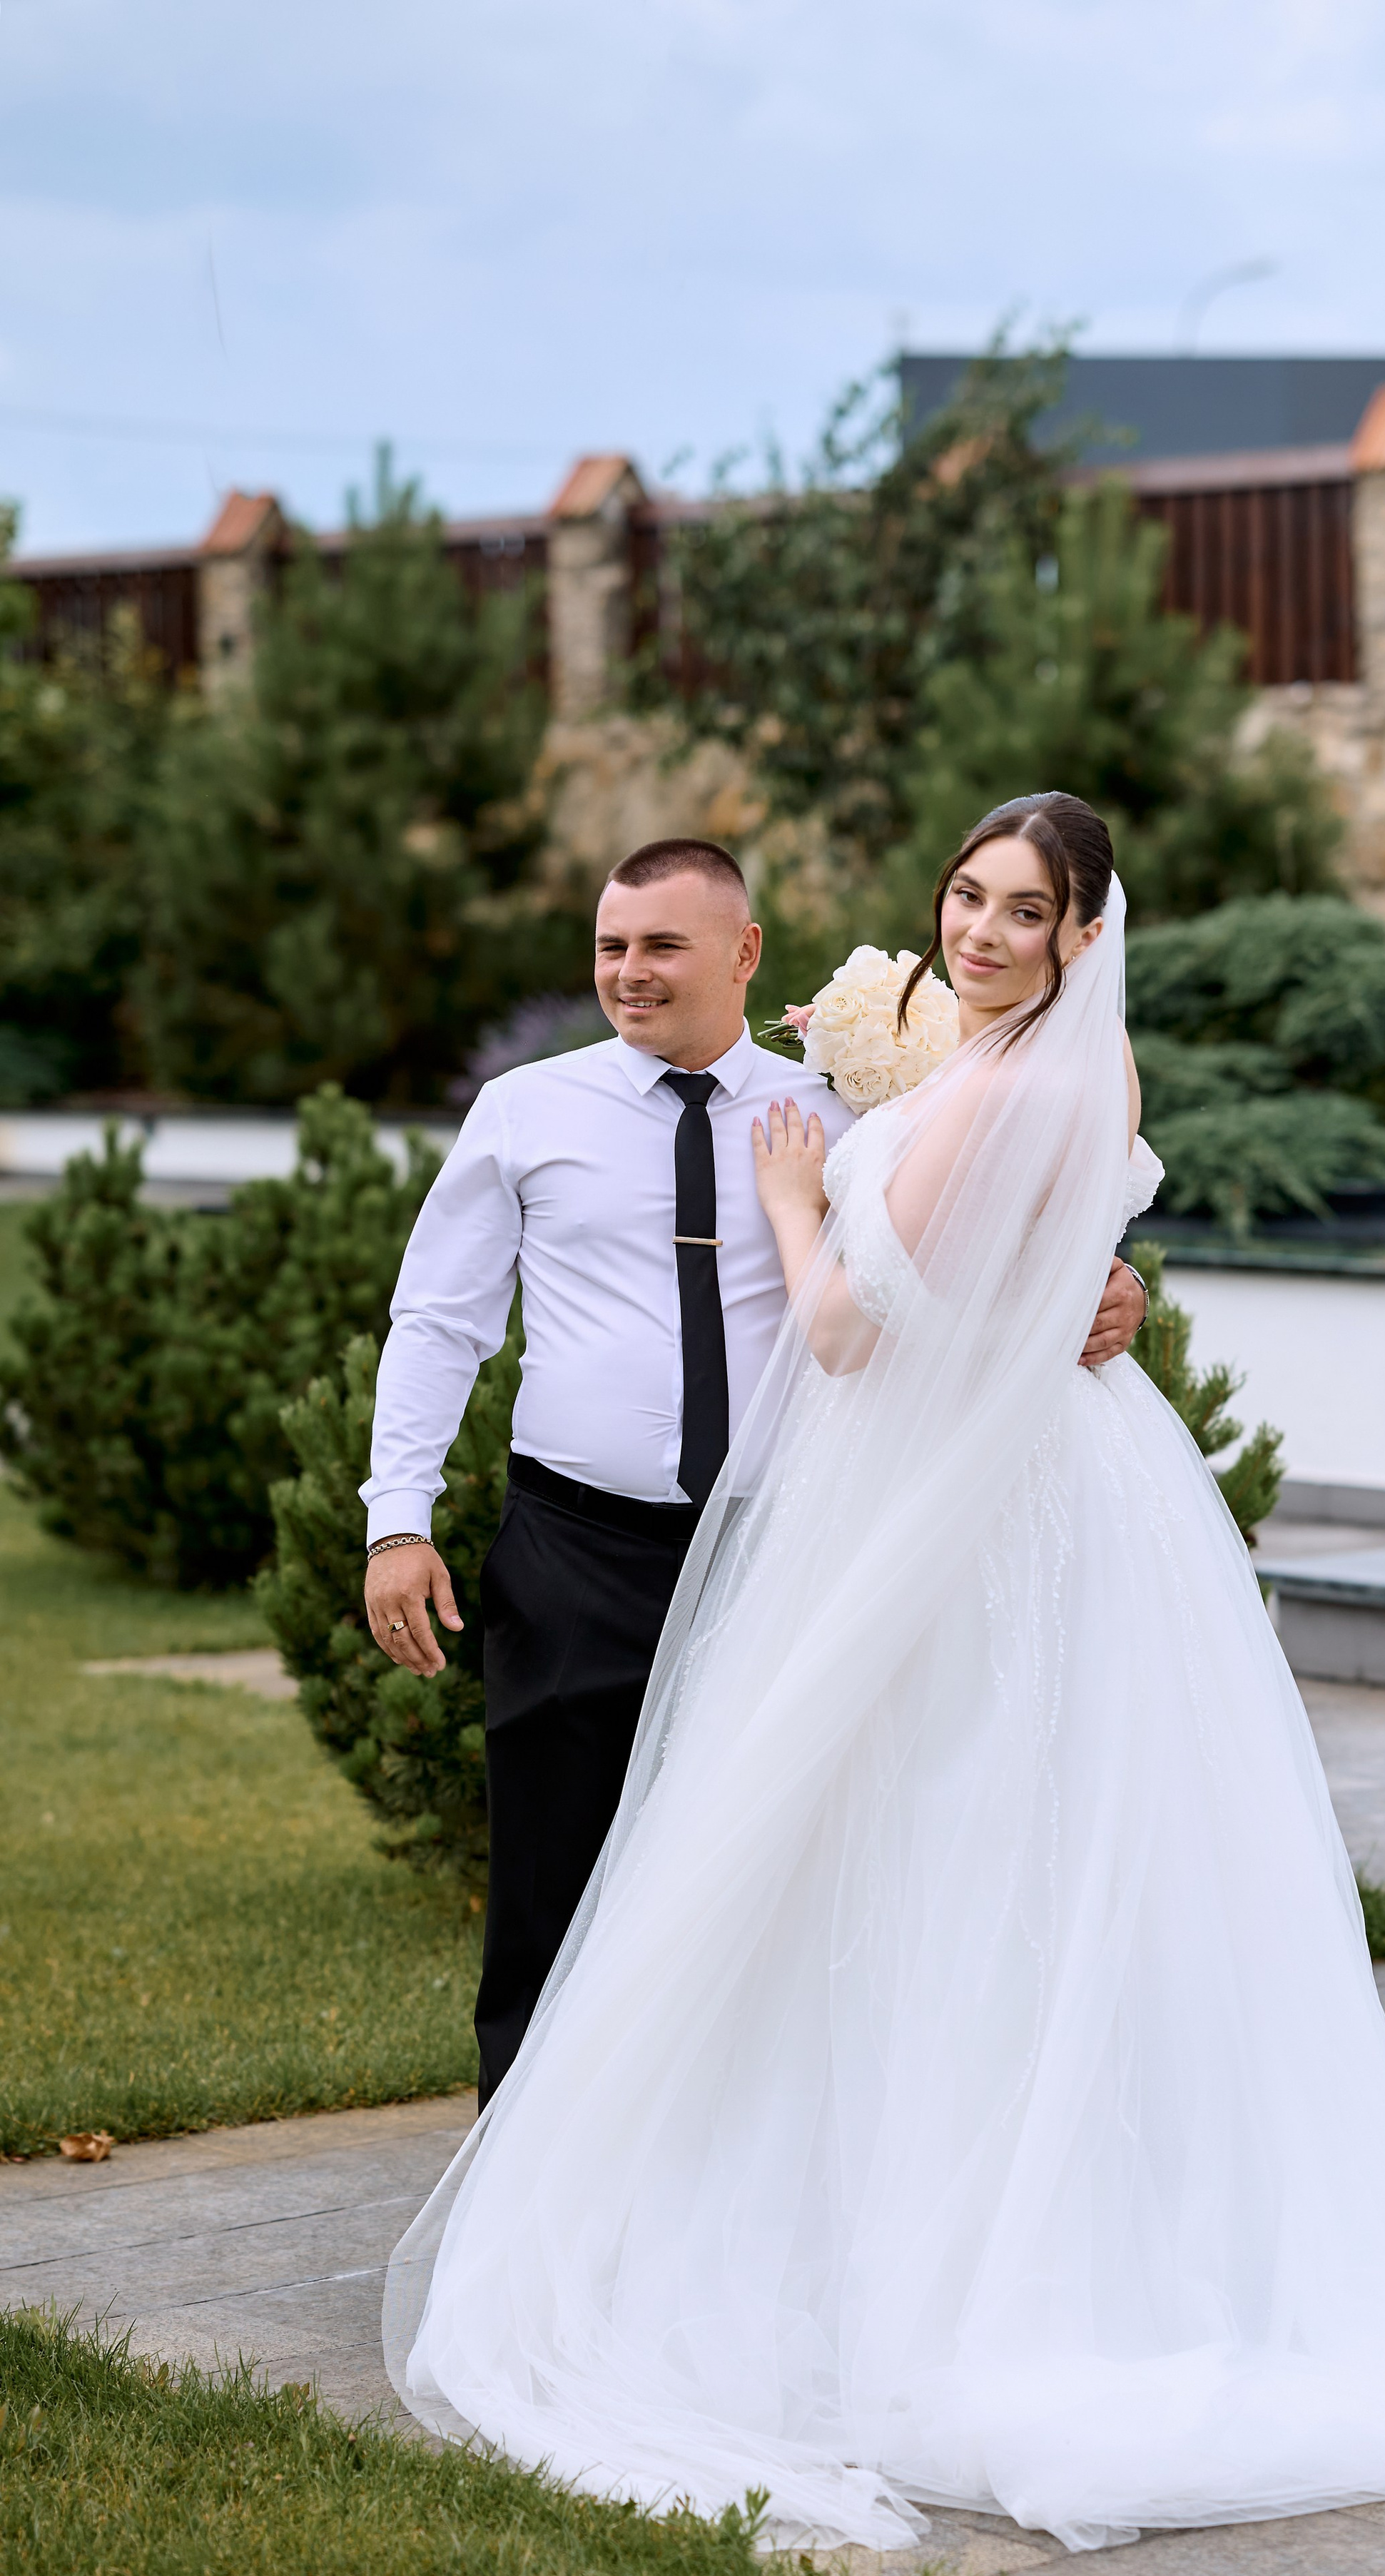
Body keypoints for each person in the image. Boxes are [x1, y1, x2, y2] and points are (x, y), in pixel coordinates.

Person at [385, 793, 1385, 2554]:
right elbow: (1003, 1234)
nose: (976, 931)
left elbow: (848, 1321)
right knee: (930, 1877)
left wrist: (809, 1202)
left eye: (1018, 911)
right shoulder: (953, 1069)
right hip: (886, 1498)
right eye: (965, 896)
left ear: (1077, 937)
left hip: (969, 1520)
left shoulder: (957, 1092)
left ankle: (965, 2256)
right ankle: (787, 2201)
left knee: (956, 1871)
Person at [361, 836, 1147, 2103]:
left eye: (662, 945)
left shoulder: (855, 1117)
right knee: (548, 1898)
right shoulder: (526, 1112)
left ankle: (716, 2189)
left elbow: (987, 1238)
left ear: (746, 955)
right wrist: (397, 1520)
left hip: (787, 1549)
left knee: (769, 1903)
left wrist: (1103, 1295)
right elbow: (439, 1321)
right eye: (611, 946)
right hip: (574, 1553)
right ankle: (525, 2190)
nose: (629, 973)